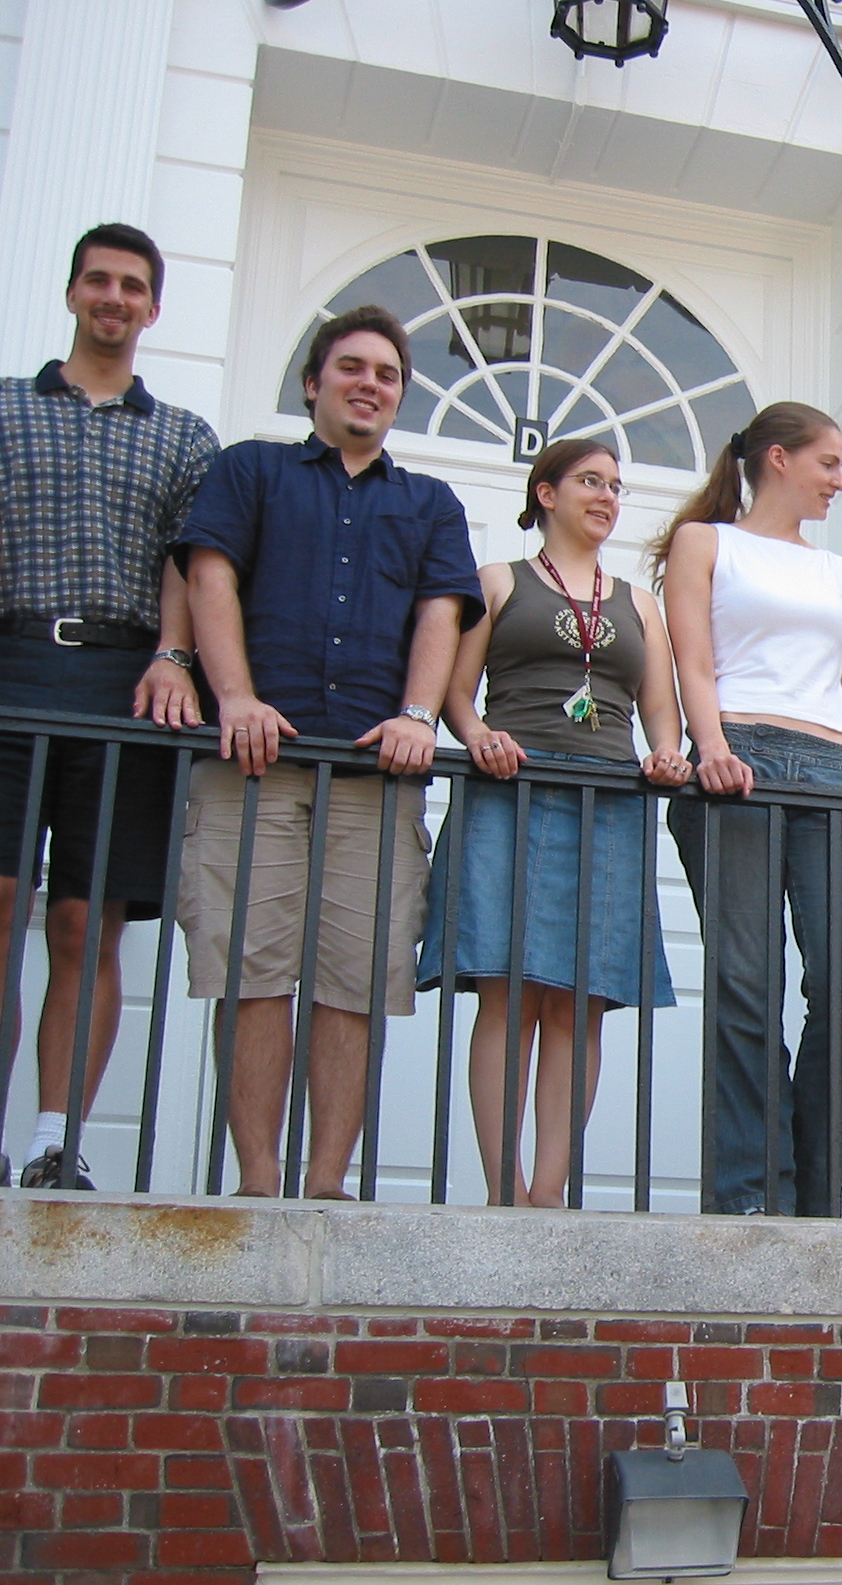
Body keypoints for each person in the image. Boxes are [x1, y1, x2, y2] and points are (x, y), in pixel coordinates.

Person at [177, 304, 482, 1199]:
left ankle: (324, 1189)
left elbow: (443, 612)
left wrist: (419, 714)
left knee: (357, 979)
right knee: (252, 971)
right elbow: (209, 574)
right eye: (352, 367)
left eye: (387, 375)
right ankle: (257, 1183)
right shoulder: (250, 470)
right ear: (313, 383)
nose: (369, 384)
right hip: (253, 766)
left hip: (375, 779)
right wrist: (235, 696)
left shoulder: (430, 503)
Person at [658, 401, 842, 1218]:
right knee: (747, 983)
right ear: (778, 459)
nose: (840, 480)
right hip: (737, 760)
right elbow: (693, 663)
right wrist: (711, 748)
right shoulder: (706, 543)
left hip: (831, 772)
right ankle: (752, 1189)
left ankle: (813, 1194)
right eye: (829, 463)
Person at [0, 223, 217, 1190]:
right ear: (73, 293)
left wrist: (173, 657)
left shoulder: (184, 435)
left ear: (153, 308)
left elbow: (190, 562)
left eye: (133, 285)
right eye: (99, 280)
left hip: (128, 682)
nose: (114, 297)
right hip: (11, 664)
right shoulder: (6, 408)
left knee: (87, 922)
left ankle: (56, 1141)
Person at [418, 440, 690, 1207]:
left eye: (616, 486)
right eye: (590, 482)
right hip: (510, 791)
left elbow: (661, 711)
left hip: (607, 804)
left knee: (581, 998)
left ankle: (548, 1193)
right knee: (508, 993)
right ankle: (502, 1189)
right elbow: (456, 691)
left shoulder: (638, 603)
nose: (607, 497)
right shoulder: (498, 580)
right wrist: (478, 736)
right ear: (546, 493)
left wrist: (667, 753)